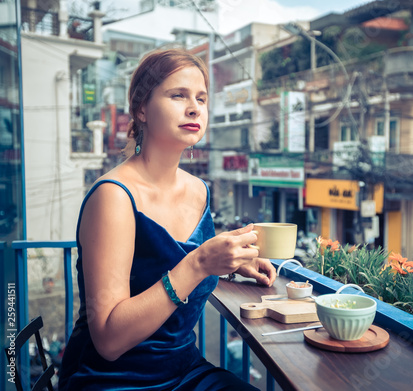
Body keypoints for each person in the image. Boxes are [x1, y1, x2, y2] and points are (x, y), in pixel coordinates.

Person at [58, 48, 276, 391]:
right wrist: (201, 262)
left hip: (184, 368)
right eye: (178, 95)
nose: (194, 108)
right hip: (113, 379)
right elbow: (109, 341)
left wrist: (230, 263)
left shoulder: (200, 190)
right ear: (141, 108)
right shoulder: (113, 196)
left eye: (201, 99)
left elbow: (170, 259)